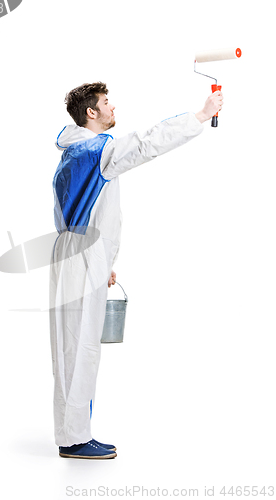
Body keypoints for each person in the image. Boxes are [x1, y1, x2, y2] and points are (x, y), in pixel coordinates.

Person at [49, 82, 223, 459]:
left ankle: (72, 433)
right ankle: (74, 440)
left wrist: (103, 264)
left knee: (73, 346)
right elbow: (148, 142)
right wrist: (200, 115)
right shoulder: (98, 150)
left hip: (73, 255)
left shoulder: (71, 153)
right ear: (90, 113)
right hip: (81, 258)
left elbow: (79, 213)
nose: (113, 107)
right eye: (106, 102)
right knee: (80, 348)